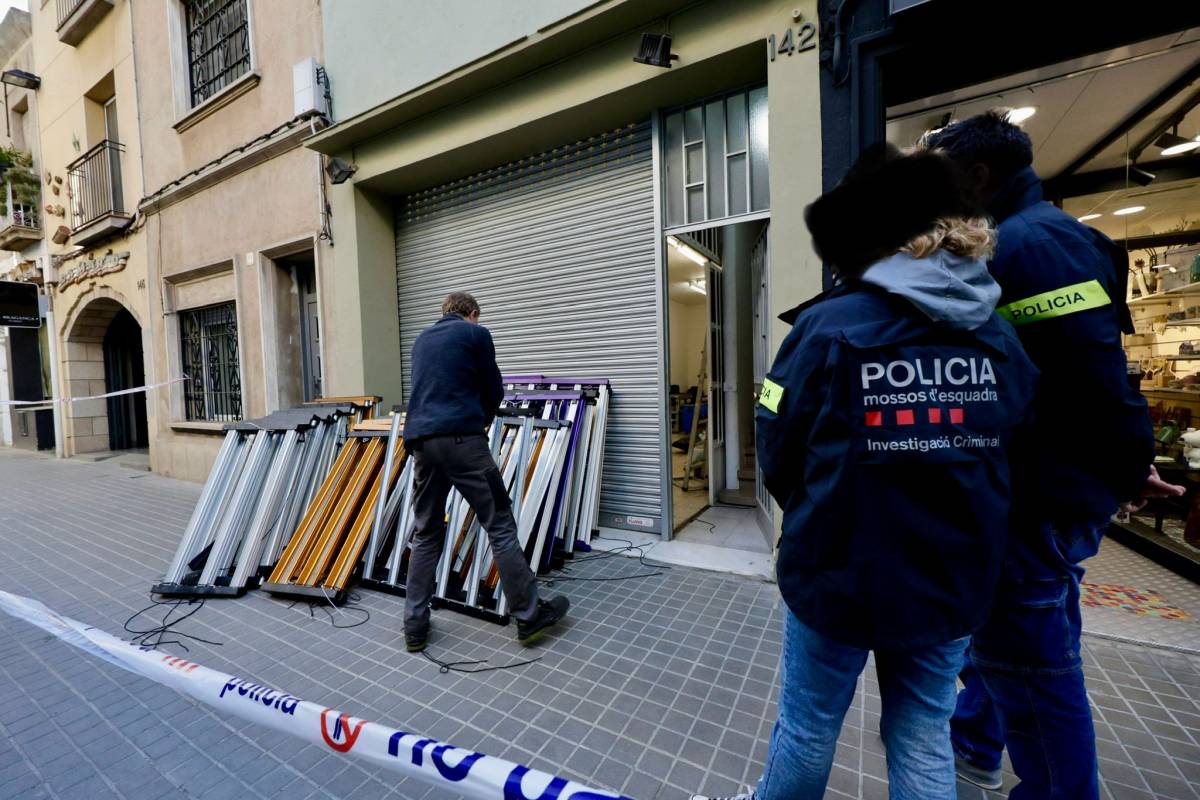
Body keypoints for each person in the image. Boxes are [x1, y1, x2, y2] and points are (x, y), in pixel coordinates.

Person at [691, 144, 1038, 800]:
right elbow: (1017, 448)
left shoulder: (826, 326)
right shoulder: (997, 337)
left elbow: (776, 442)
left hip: (839, 574)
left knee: (809, 726)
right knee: (922, 733)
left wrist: (821, 506)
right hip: (950, 584)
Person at [923, 111, 1180, 799]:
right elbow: (1079, 375)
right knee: (1006, 638)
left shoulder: (1035, 248)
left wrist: (1127, 464)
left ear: (977, 175)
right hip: (1037, 487)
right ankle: (973, 748)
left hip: (1037, 496)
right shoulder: (1028, 240)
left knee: (1033, 666)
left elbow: (1093, 375)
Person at [401, 291, 569, 652]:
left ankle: (414, 627)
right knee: (500, 524)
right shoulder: (477, 334)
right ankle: (528, 616)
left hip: (421, 444)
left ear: (443, 313)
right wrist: (485, 417)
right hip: (463, 441)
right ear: (471, 314)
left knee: (426, 532)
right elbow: (493, 389)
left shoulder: (421, 340)